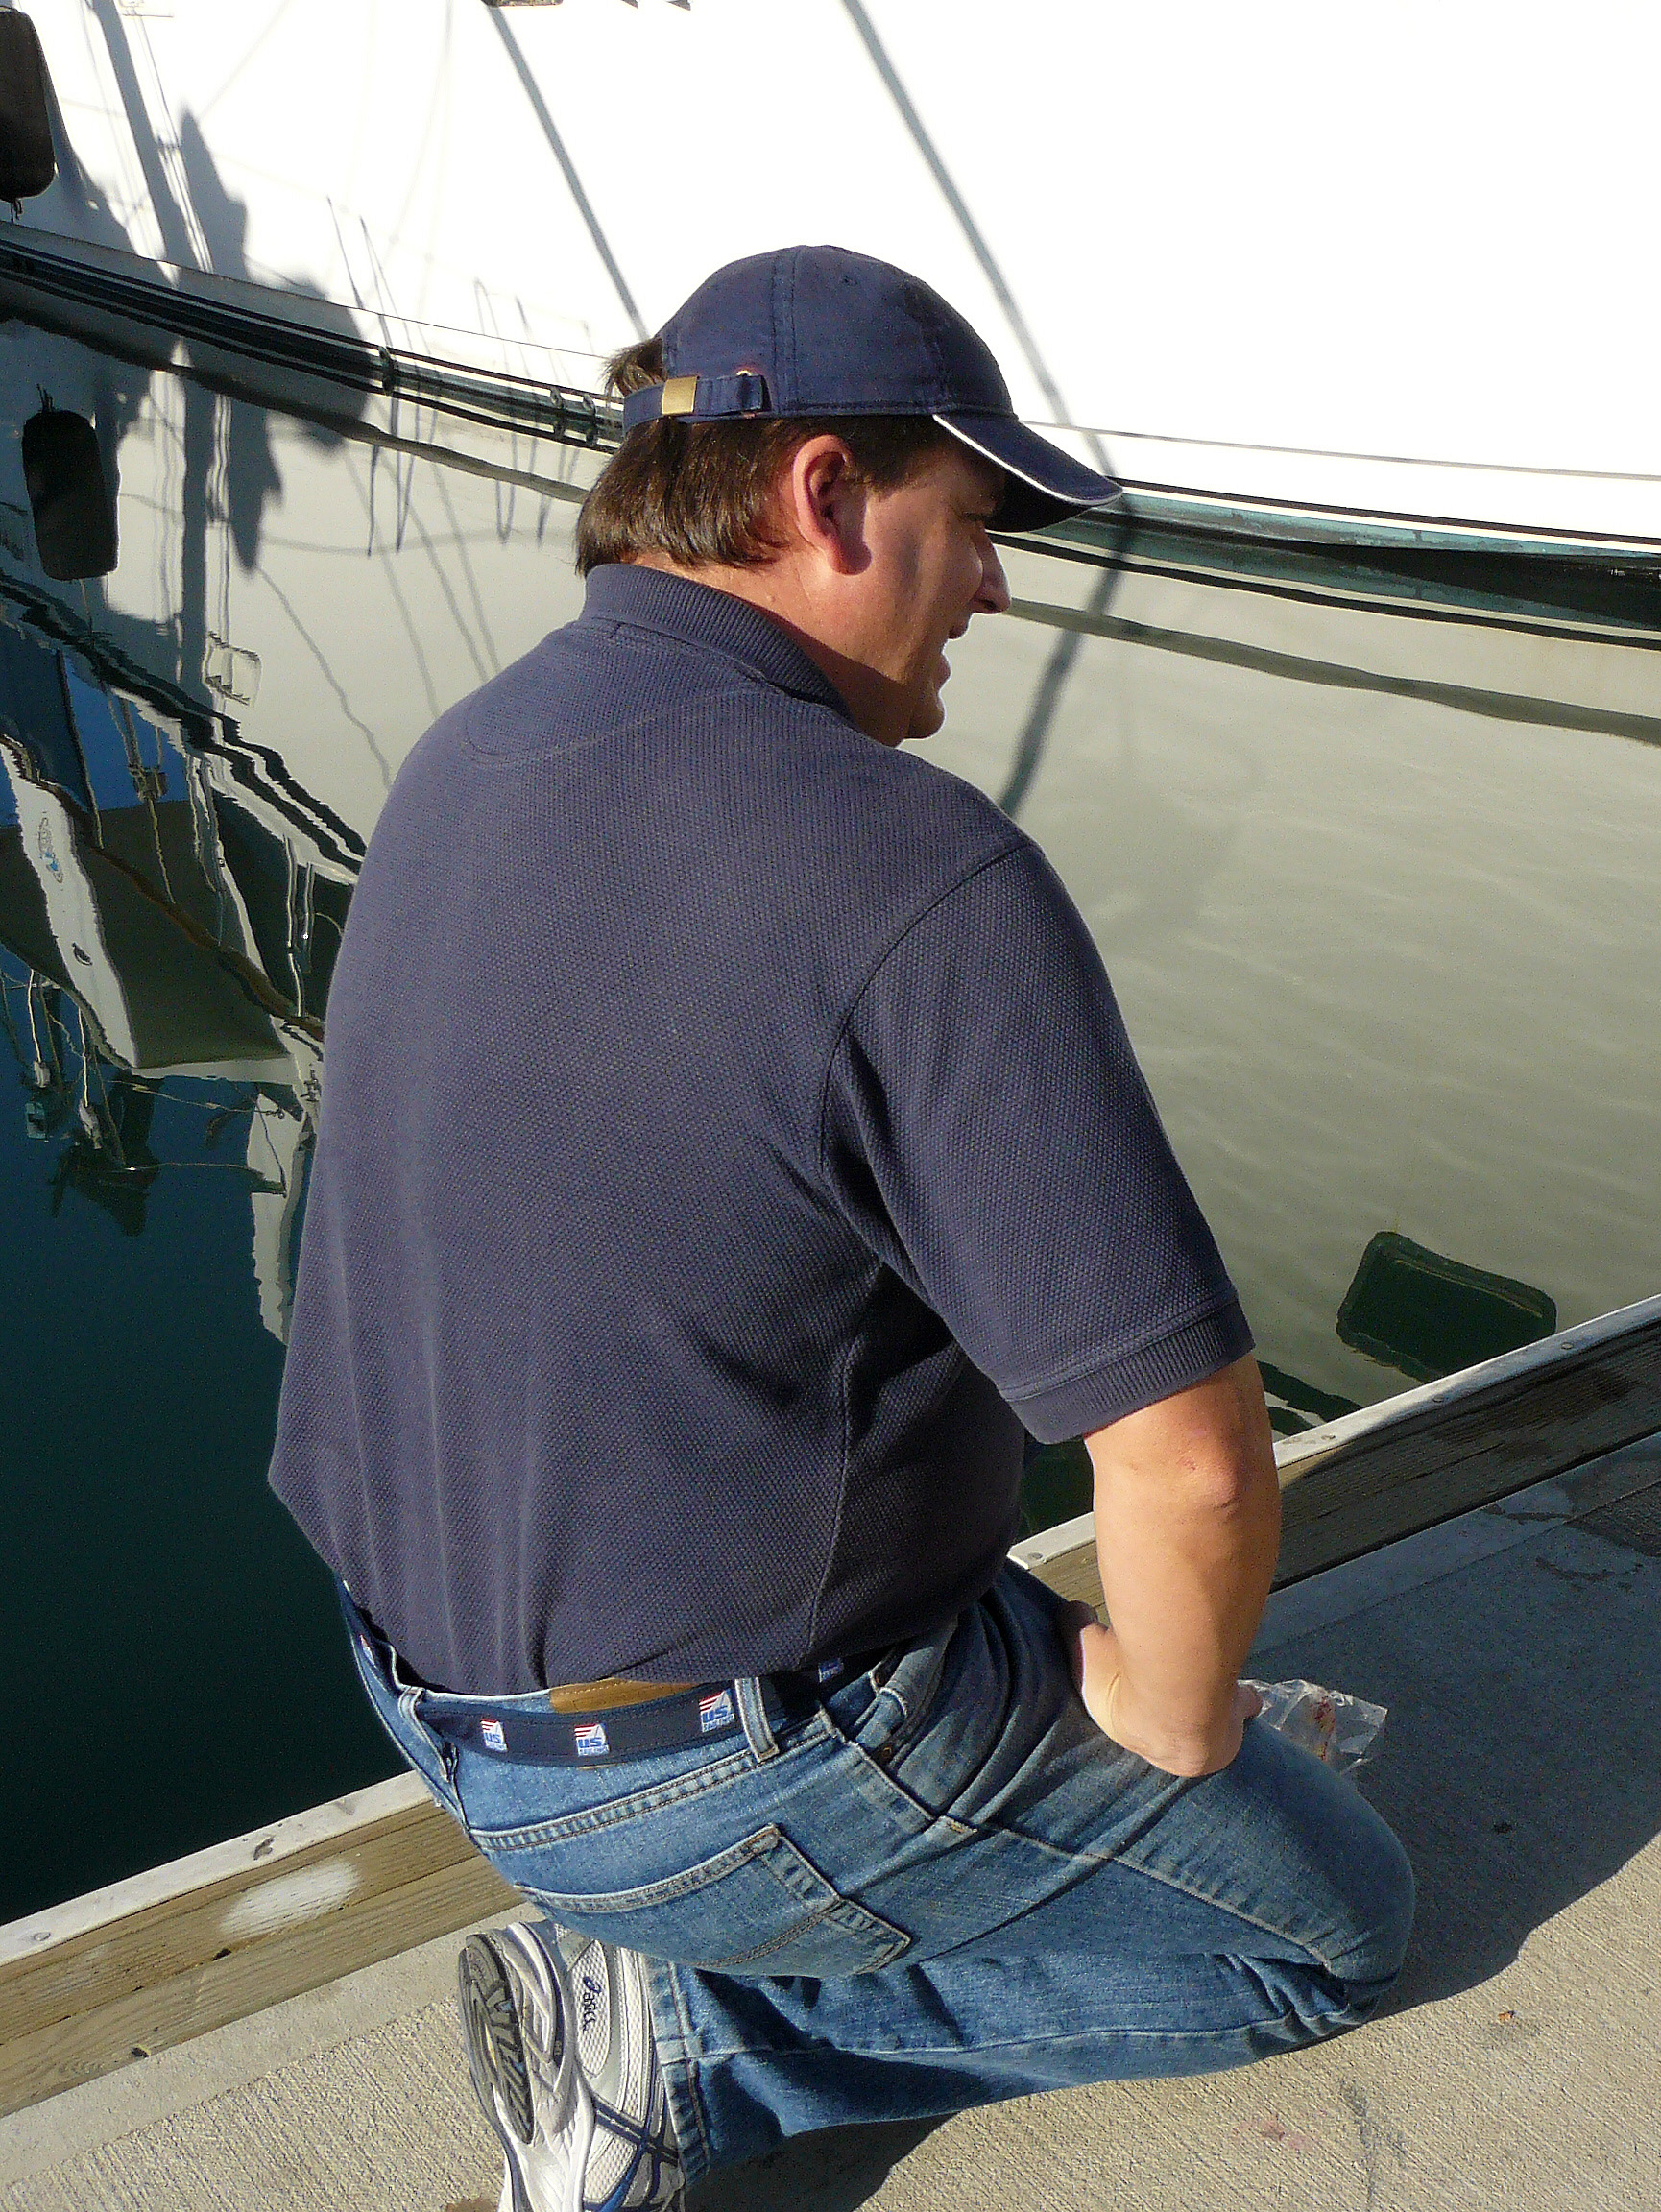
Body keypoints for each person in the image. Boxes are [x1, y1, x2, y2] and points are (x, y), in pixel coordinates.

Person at [267, 245, 1412, 2211]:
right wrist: (1174, 1716)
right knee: (1321, 1920)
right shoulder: (911, 869)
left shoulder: (467, 756)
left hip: (413, 1684)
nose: (995, 587)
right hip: (698, 1772)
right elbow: (1193, 1464)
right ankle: (687, 2041)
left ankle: (1000, 1751)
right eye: (976, 524)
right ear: (824, 495)